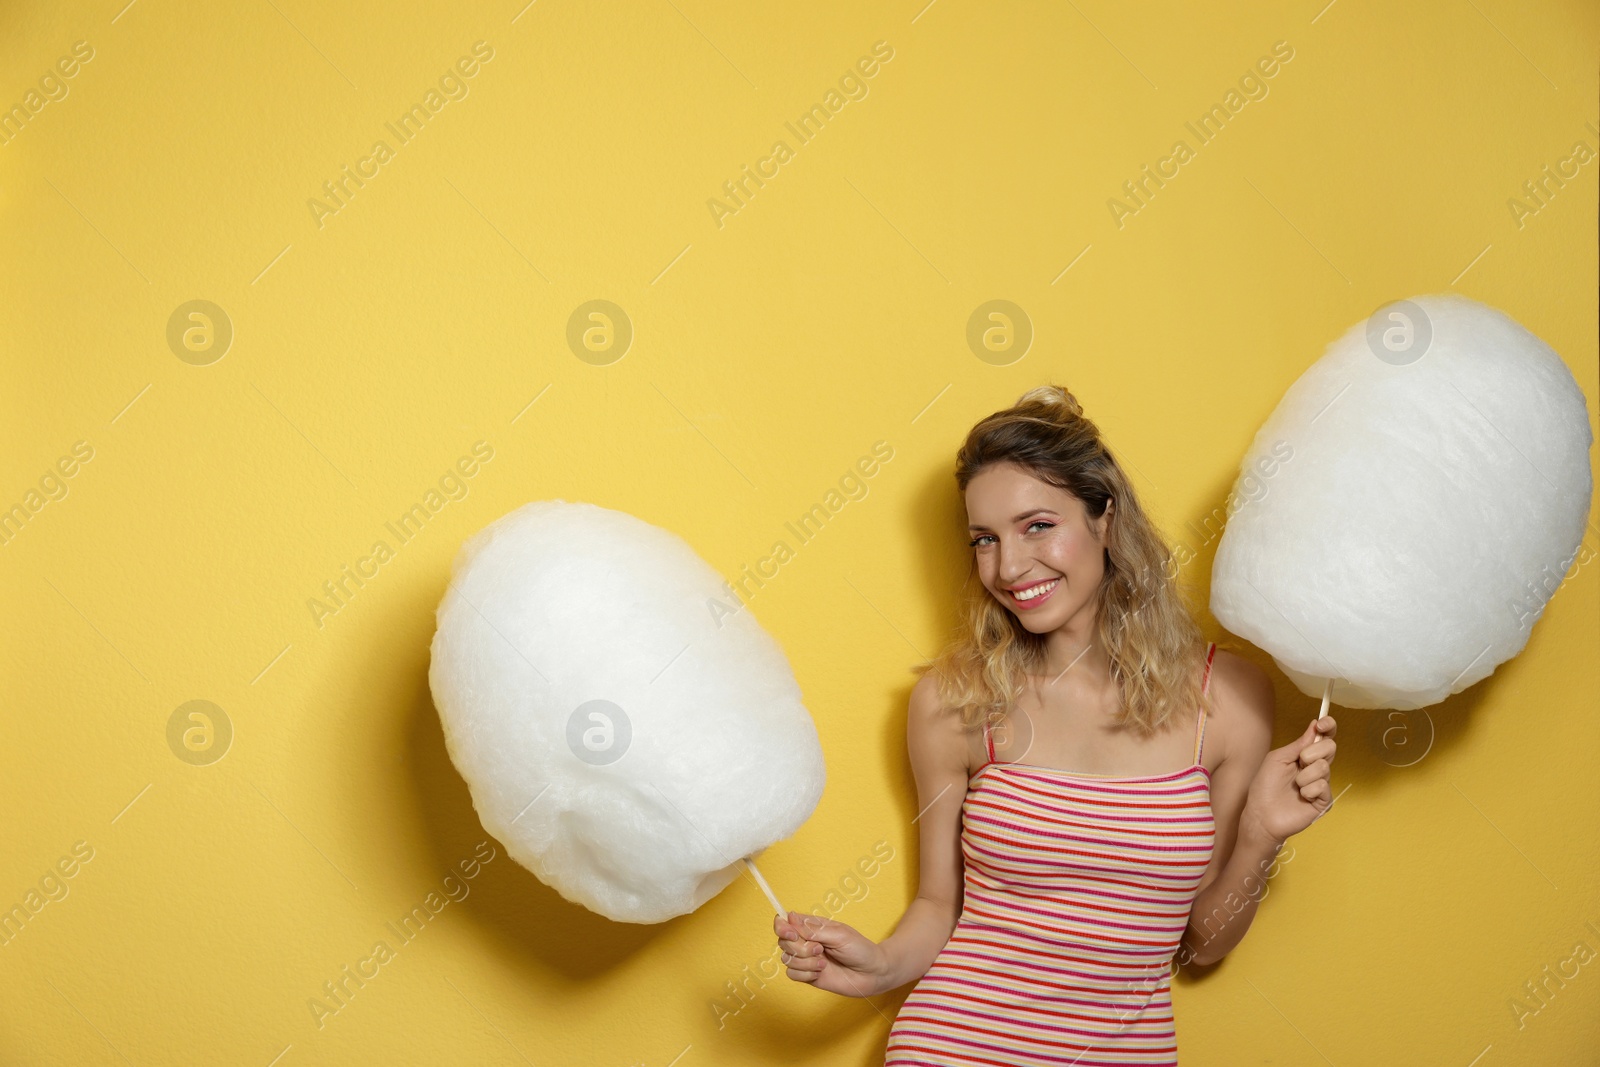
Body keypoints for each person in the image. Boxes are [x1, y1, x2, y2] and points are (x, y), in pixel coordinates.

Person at [772, 384, 1338, 1066]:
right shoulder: (952, 701)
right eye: (985, 539)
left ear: (1105, 518)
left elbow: (1202, 944)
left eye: (1037, 525)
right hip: (953, 1047)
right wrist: (881, 964)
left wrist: (1261, 835)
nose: (1009, 567)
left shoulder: (1231, 695)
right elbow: (936, 905)